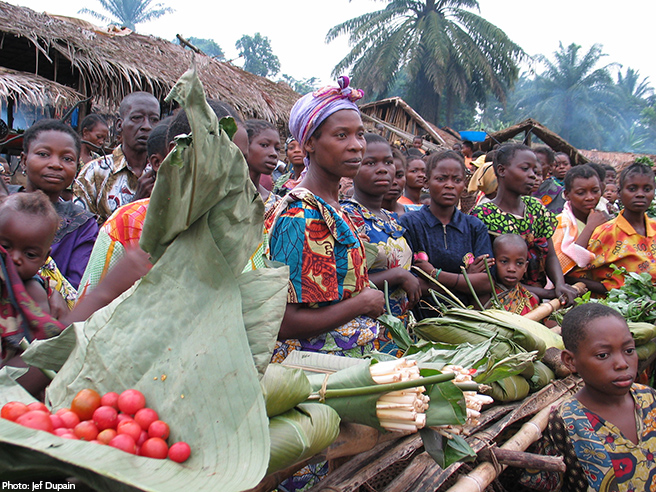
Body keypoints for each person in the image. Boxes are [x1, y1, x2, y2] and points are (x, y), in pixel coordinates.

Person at [266, 76, 386, 365]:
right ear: (309, 143)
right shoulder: (301, 216)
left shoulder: (332, 206)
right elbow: (285, 322)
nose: (357, 146)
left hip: (346, 365)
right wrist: (363, 301)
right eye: (341, 135)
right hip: (317, 375)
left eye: (360, 134)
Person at [78, 102, 250, 301]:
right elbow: (85, 318)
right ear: (178, 152)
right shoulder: (127, 225)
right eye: (221, 156)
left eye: (242, 161)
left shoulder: (245, 229)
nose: (235, 171)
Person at [520, 303, 656, 492]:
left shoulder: (648, 398)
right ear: (570, 361)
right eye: (603, 355)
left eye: (629, 350)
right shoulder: (567, 420)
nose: (622, 364)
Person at [341, 134, 421, 354]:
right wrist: (398, 275)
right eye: (370, 163)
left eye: (388, 162)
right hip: (366, 334)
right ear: (353, 168)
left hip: (400, 331)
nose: (383, 169)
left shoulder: (392, 219)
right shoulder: (346, 217)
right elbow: (344, 284)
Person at [470, 143, 577, 304]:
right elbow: (491, 276)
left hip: (541, 294)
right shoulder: (483, 215)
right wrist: (547, 294)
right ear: (501, 170)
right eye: (525, 169)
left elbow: (550, 255)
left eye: (535, 170)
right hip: (500, 298)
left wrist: (560, 284)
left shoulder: (536, 207)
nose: (533, 175)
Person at [400, 150, 494, 312]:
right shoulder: (410, 224)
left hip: (466, 320)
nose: (449, 185)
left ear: (463, 184)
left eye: (456, 180)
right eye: (441, 179)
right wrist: (466, 280)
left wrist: (434, 274)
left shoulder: (474, 227)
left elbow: (486, 283)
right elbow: (408, 283)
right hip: (420, 321)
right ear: (427, 183)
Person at [19, 119, 99, 290]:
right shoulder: (5, 206)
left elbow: (76, 287)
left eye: (67, 158)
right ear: (24, 160)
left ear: (77, 167)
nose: (55, 164)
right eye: (43, 154)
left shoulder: (82, 224)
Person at [74, 92, 160, 224]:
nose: (147, 126)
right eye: (137, 118)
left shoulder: (166, 173)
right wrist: (135, 204)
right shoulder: (94, 173)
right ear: (119, 125)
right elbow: (81, 235)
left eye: (154, 120)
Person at [573, 162, 656, 292]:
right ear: (620, 193)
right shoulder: (607, 233)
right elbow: (574, 273)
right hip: (622, 306)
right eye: (632, 189)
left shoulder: (654, 227)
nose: (640, 194)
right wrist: (610, 288)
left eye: (647, 189)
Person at [552, 165, 608, 291]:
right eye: (581, 193)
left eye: (595, 191)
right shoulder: (560, 224)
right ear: (567, 195)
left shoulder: (605, 219)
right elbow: (560, 267)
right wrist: (590, 228)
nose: (590, 197)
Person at [481, 234, 538, 315]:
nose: (511, 269)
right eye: (504, 261)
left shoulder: (530, 299)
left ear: (525, 267)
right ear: (492, 262)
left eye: (519, 263)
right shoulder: (485, 296)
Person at [244, 119, 281, 212]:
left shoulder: (276, 204)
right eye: (264, 145)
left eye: (277, 148)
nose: (274, 153)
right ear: (245, 146)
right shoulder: (223, 197)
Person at [381, 148, 407, 216]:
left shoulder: (414, 216)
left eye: (399, 176)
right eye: (386, 175)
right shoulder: (355, 217)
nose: (394, 182)